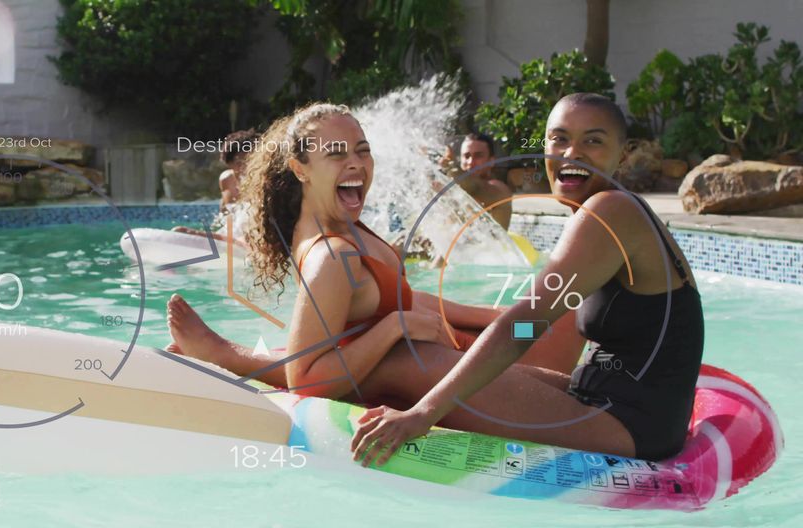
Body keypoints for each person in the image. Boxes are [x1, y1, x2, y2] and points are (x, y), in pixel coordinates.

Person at [351, 93, 704, 464]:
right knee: (428, 359)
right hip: (604, 395)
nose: (571, 154)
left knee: (406, 365)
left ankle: (301, 385)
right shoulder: (614, 208)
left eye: (593, 141)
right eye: (560, 139)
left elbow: (525, 324)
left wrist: (422, 414)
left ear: (624, 155)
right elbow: (538, 318)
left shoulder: (610, 212)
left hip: (631, 424)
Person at [166, 102, 586, 401]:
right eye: (335, 153)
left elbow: (404, 298)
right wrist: (395, 327)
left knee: (561, 317)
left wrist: (493, 317)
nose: (355, 163)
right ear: (300, 169)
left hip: (454, 344)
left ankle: (228, 352)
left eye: (362, 150)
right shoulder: (330, 255)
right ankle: (225, 354)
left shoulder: (347, 223)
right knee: (569, 360)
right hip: (437, 364)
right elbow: (305, 377)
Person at [173, 129, 258, 240]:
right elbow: (226, 219)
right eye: (238, 163)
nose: (244, 168)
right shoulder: (227, 179)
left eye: (247, 161)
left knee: (181, 232)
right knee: (179, 232)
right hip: (233, 238)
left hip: (248, 241)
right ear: (229, 163)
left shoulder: (263, 182)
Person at [440, 133, 513, 229]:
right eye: (466, 156)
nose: (471, 162)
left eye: (478, 156)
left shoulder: (499, 190)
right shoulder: (453, 191)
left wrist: (451, 166)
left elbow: (474, 188)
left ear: (491, 161)